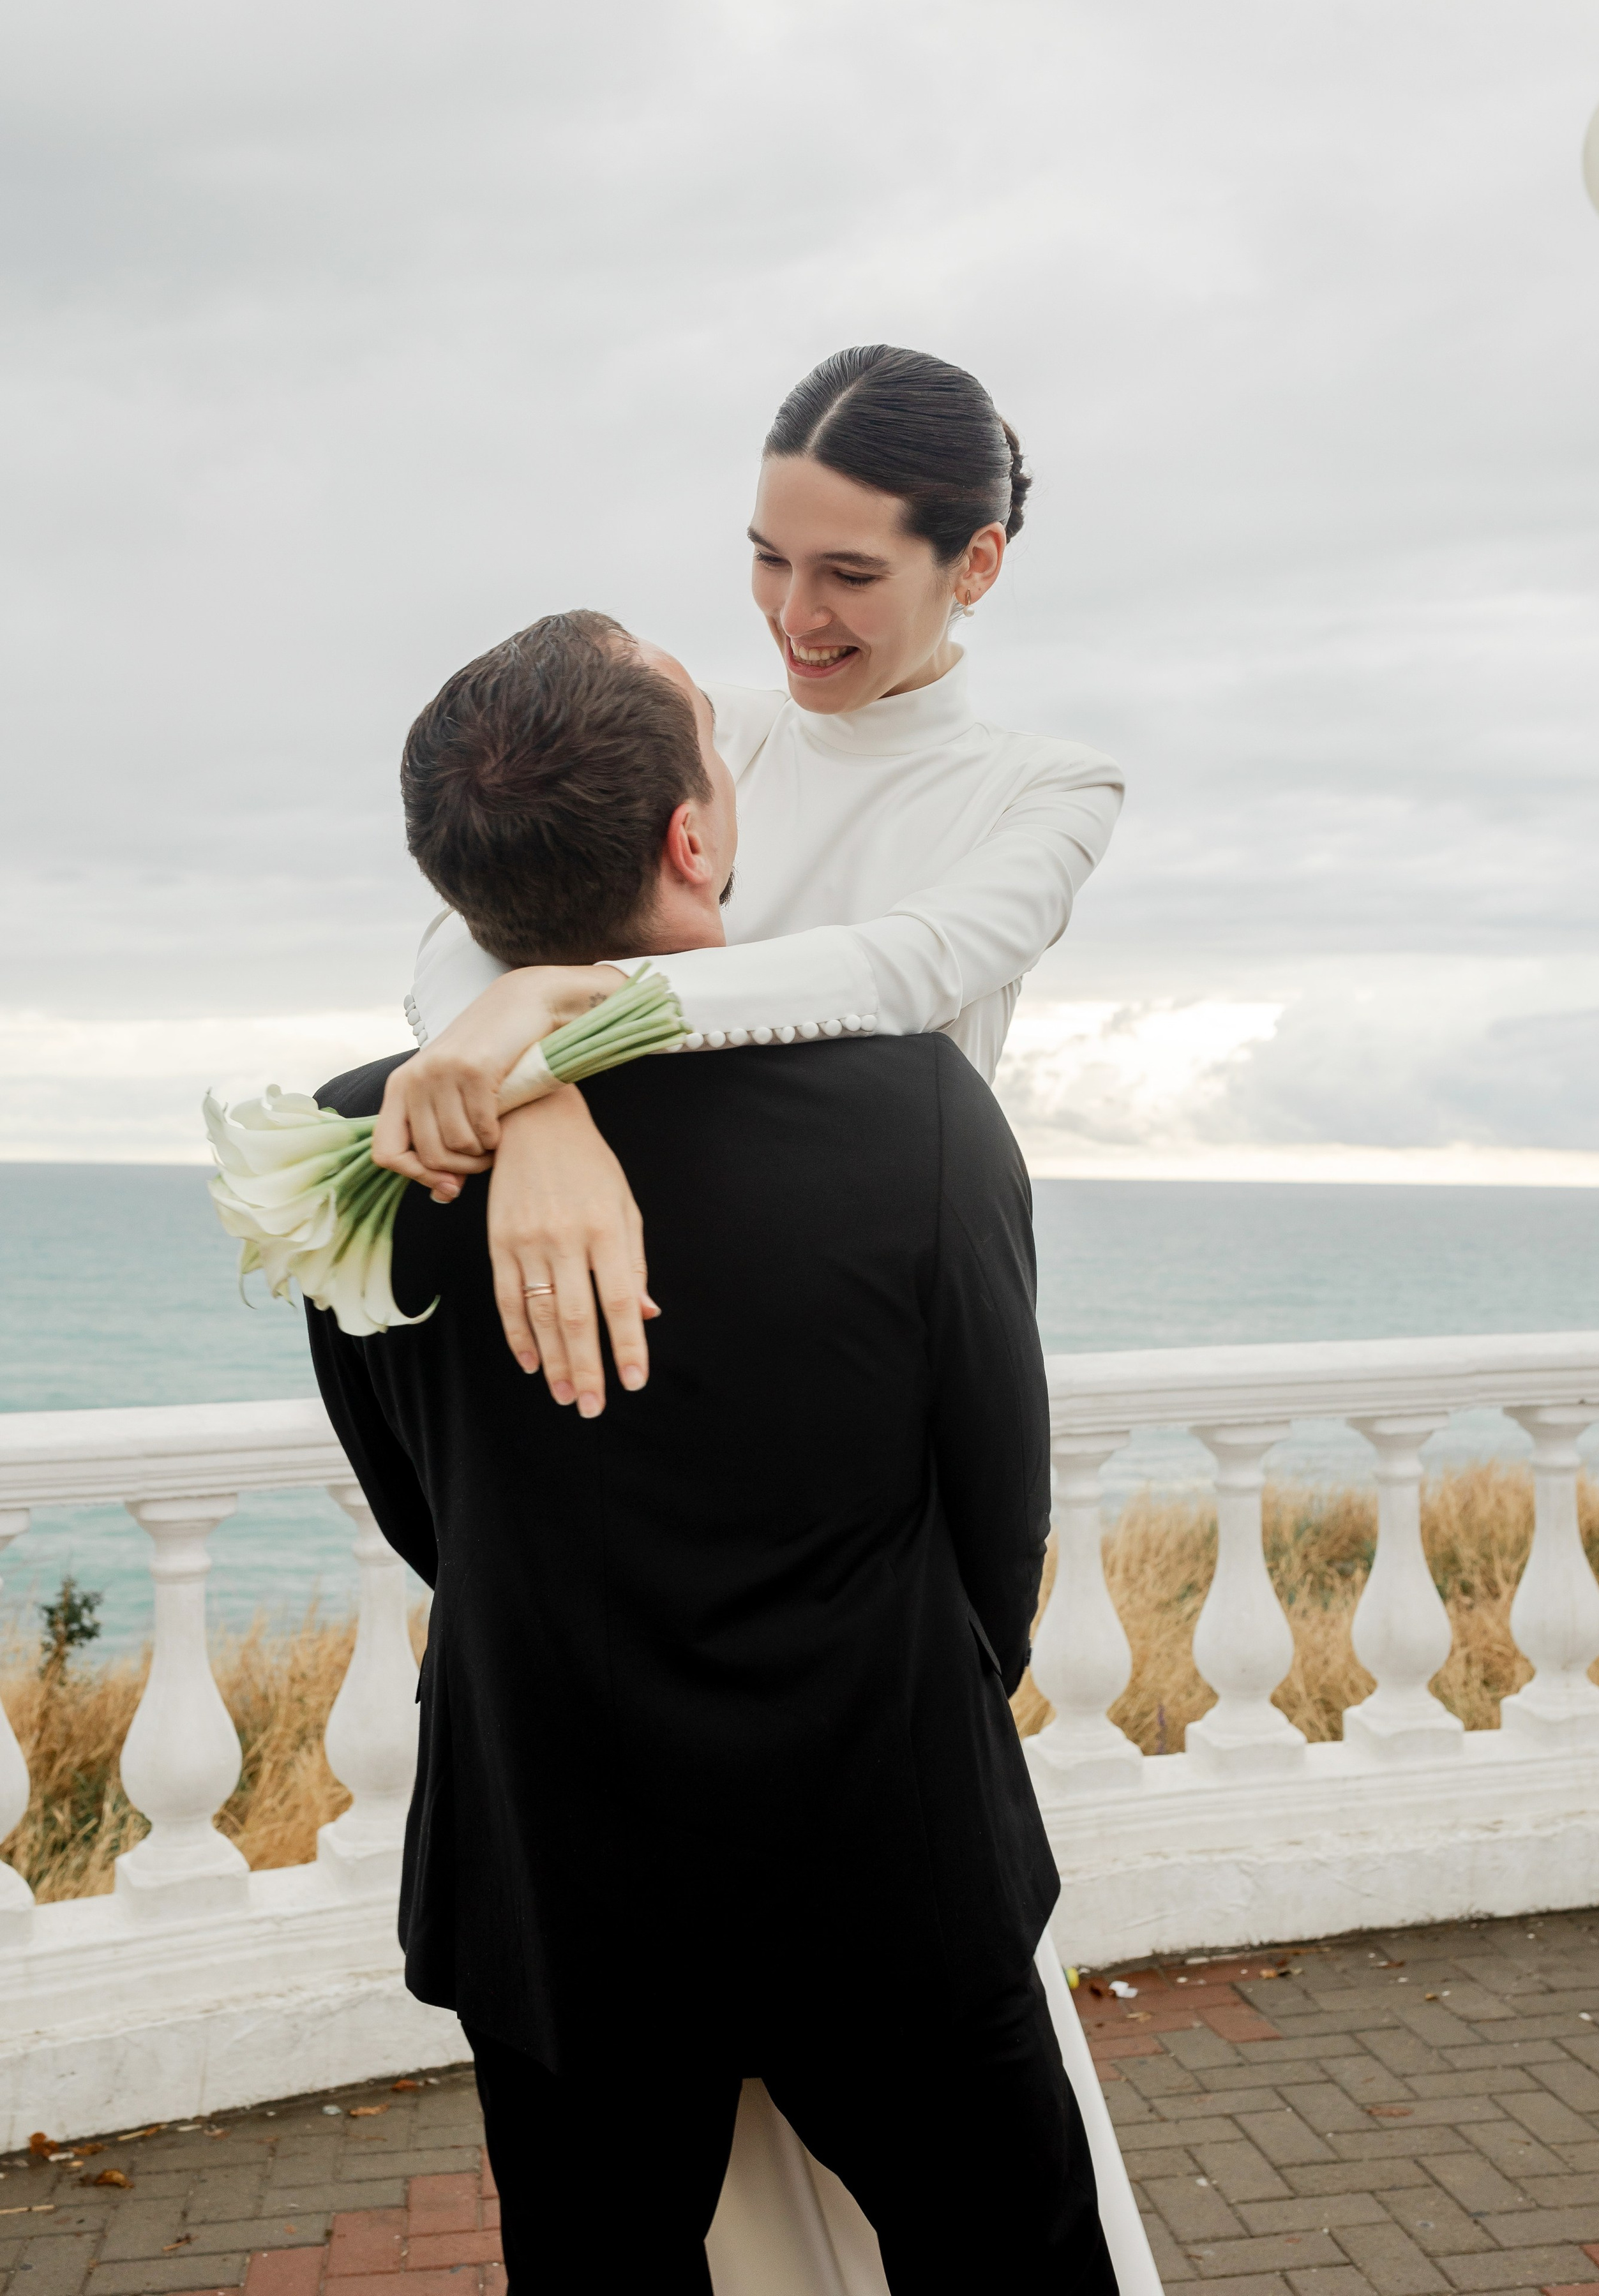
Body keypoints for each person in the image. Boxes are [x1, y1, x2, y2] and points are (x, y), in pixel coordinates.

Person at [305, 612, 1118, 2294]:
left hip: (552, 1864)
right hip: (886, 1838)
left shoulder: (361, 1144)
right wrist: (924, 1687)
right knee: (1015, 2263)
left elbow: (421, 1506)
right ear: (695, 837)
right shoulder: (920, 1118)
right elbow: (998, 1507)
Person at [371, 345, 1124, 1417]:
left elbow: (905, 971)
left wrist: (554, 1010)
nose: (795, 615)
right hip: (614, 1327)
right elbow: (473, 926)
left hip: (854, 1337)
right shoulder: (698, 724)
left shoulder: (1049, 791)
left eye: (850, 575)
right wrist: (535, 1105)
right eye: (772, 558)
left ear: (978, 563)